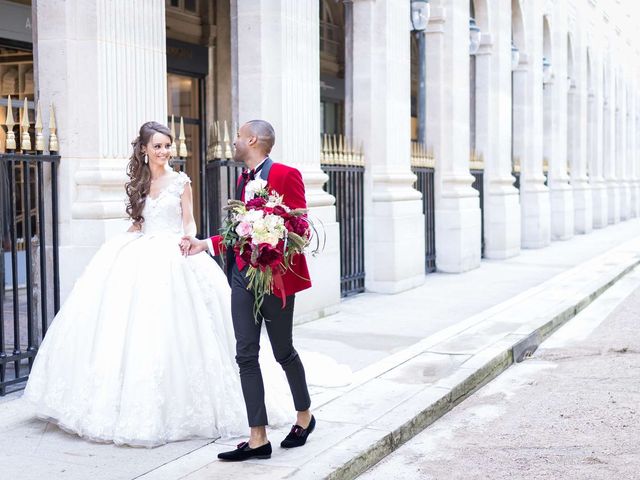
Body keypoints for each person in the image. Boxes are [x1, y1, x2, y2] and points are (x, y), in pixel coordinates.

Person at [23, 121, 289, 447]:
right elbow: (138, 222)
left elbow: (188, 218)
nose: (164, 152)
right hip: (140, 251)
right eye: (158, 146)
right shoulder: (138, 183)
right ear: (145, 149)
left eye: (167, 145)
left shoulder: (181, 182)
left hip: (175, 249)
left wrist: (189, 236)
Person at [181, 120, 315, 462]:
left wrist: (272, 234)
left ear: (252, 140)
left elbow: (302, 226)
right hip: (242, 277)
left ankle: (305, 417)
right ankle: (258, 437)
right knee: (245, 354)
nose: (235, 141)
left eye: (239, 136)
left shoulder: (286, 174)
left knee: (283, 351)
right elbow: (236, 231)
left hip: (275, 278)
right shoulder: (243, 180)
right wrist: (204, 244)